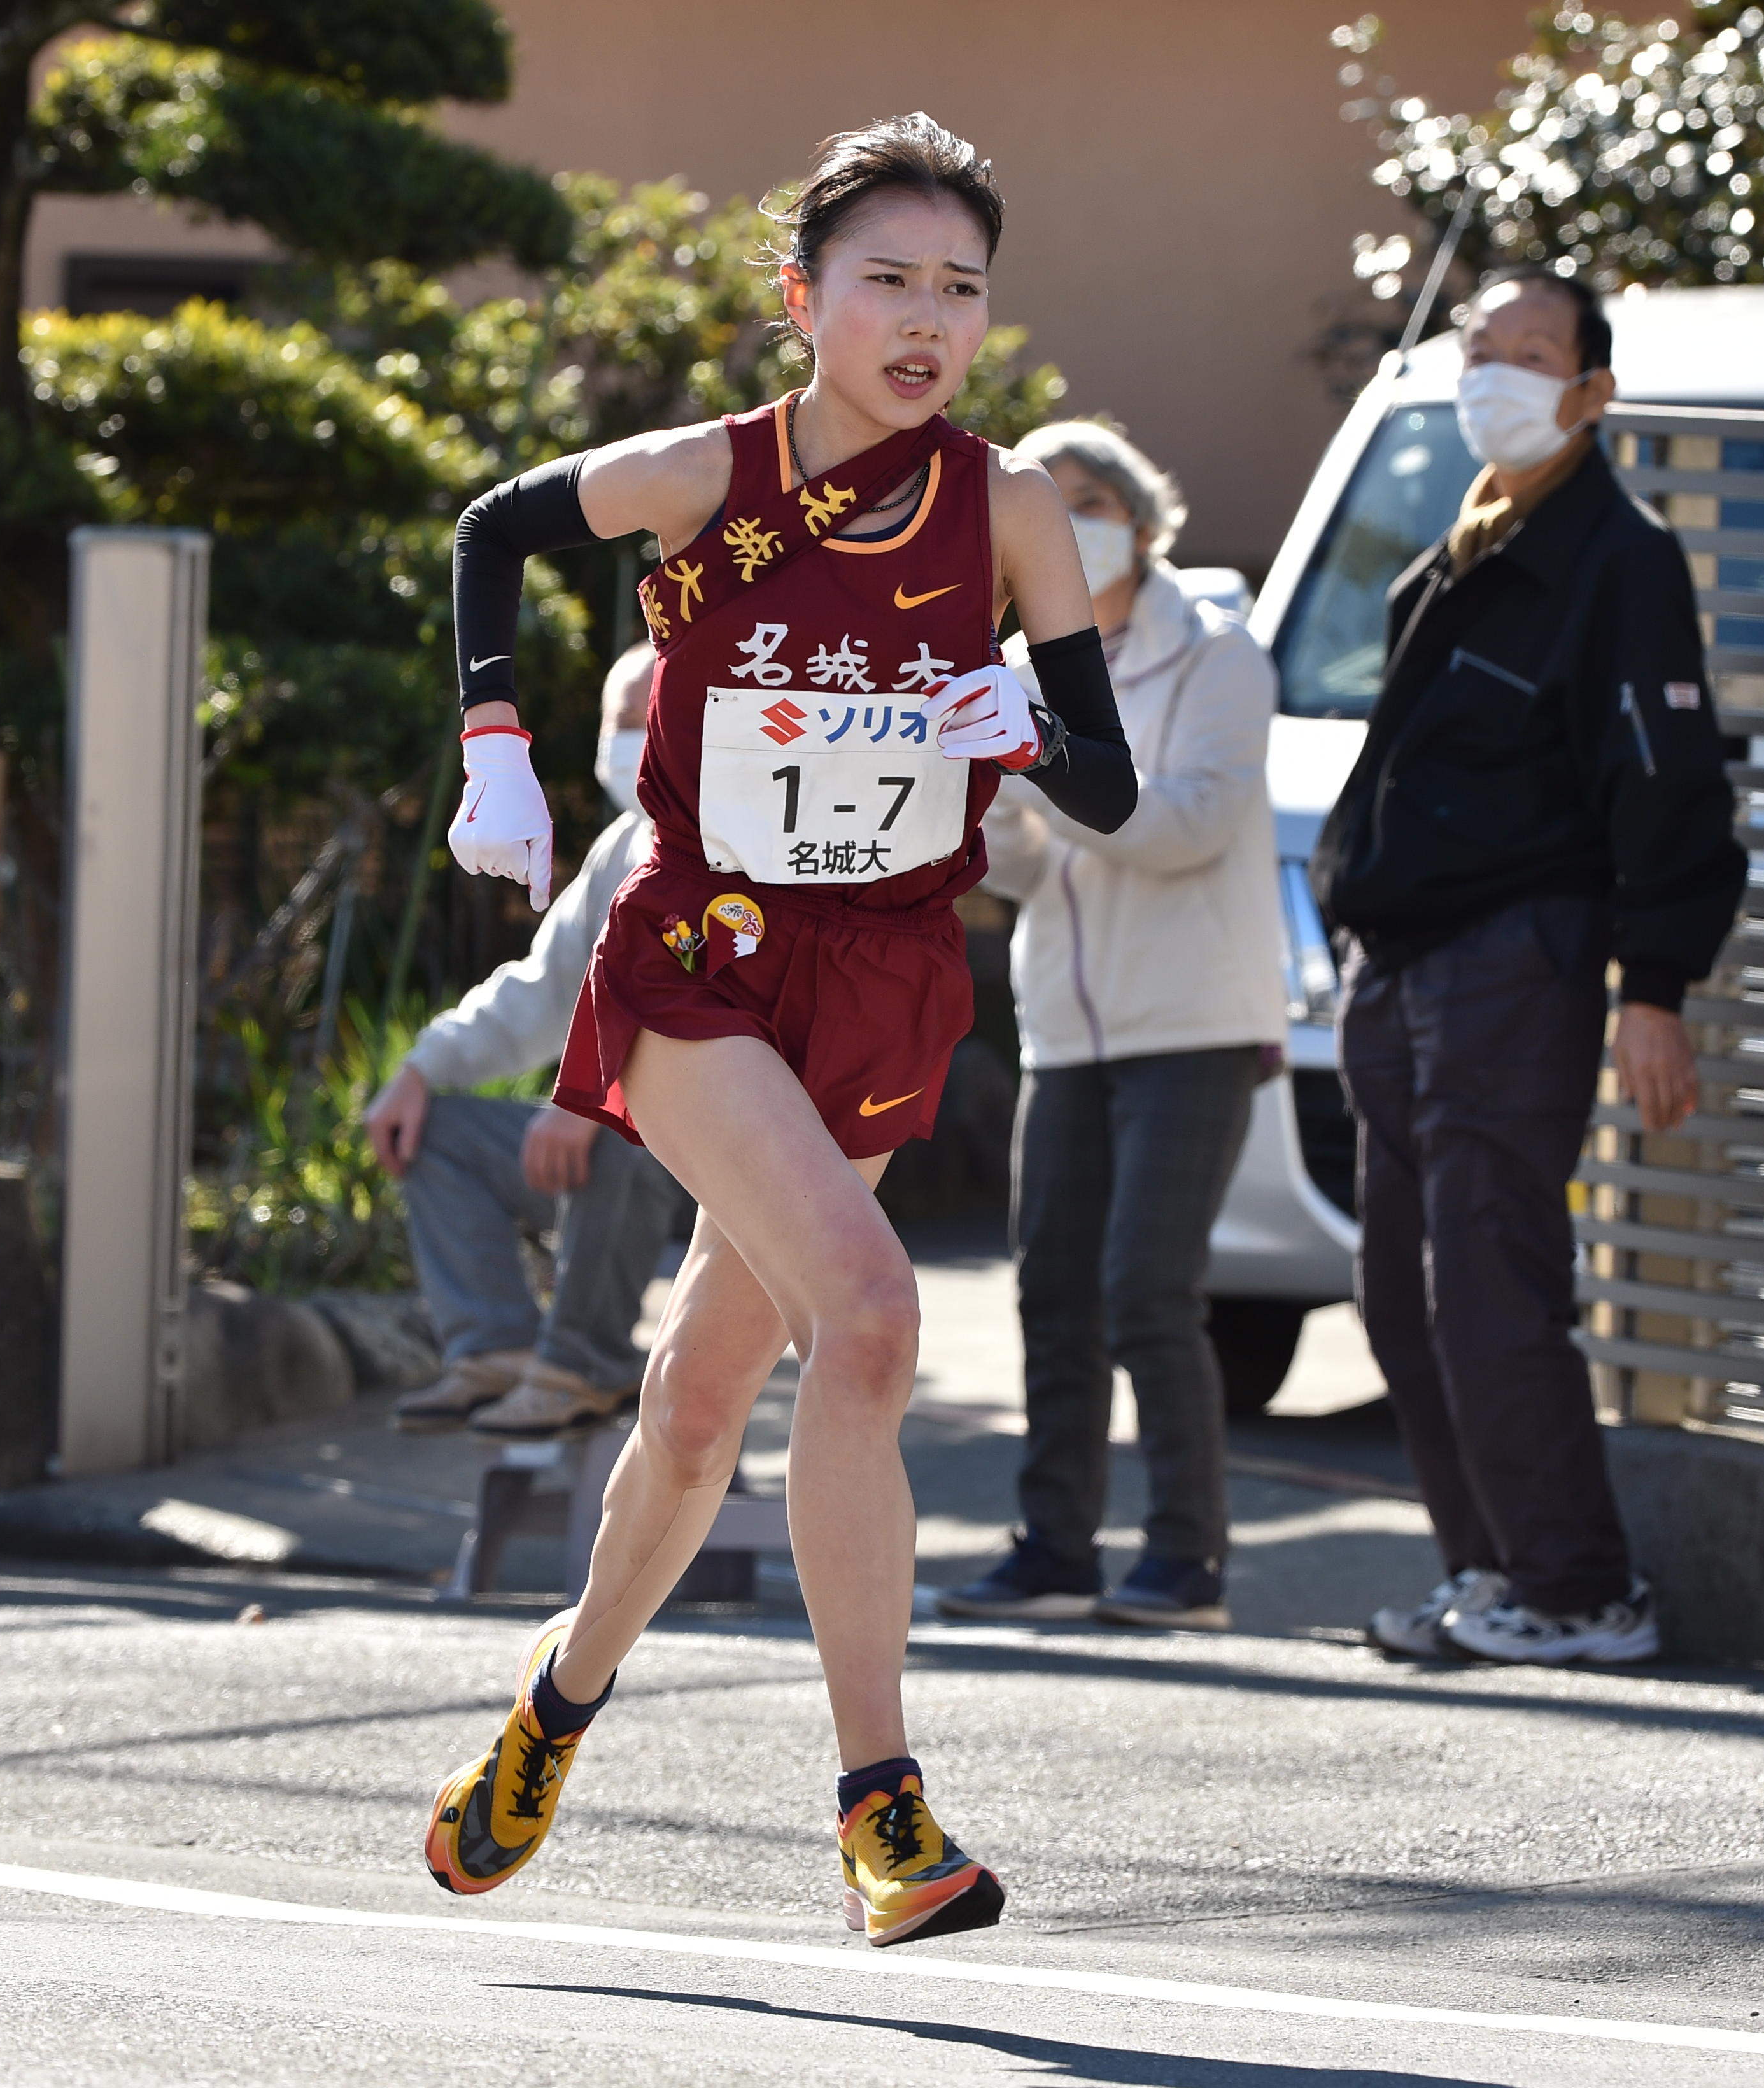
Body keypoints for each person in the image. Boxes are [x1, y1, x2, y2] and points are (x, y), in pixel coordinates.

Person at [420, 113, 1132, 1947]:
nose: (926, 319)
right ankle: (882, 1810)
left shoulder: (1016, 509)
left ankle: (550, 1712)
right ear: (803, 295)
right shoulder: (704, 472)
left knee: (703, 1395)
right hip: (703, 962)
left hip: (885, 972)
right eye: (887, 280)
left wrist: (1017, 722)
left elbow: (1110, 782)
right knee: (875, 1318)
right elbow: (492, 528)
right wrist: (494, 737)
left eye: (961, 291)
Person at [1310, 267, 1746, 1667]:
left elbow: (1667, 786)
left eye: (1529, 353)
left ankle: (1578, 1584)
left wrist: (1654, 987)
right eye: (1475, 347)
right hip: (1400, 964)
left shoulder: (1614, 558)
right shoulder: (1453, 551)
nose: (1490, 372)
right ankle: (1490, 1571)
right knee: (1401, 1288)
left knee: (1490, 1282)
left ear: (1591, 392)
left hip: (1518, 959)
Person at [943, 420, 1284, 1632]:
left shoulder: (1221, 659)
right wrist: (968, 812)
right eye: (1041, 504)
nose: (1065, 522)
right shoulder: (1033, 669)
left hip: (1193, 1025)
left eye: (1086, 500)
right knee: (1052, 1296)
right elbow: (1032, 869)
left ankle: (1187, 1561)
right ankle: (1054, 1548)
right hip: (1066, 1031)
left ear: (1141, 521)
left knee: (1147, 1287)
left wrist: (1044, 759)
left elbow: (1184, 828)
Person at [365, 644, 692, 1439]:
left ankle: (583, 1364)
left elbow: (697, 1007)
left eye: (639, 720)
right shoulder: (625, 842)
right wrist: (421, 1065)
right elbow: (543, 990)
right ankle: (496, 1352)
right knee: (434, 1134)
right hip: (610, 1134)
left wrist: (590, 1101)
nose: (625, 741)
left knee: (625, 1140)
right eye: (617, 721)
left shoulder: (726, 843)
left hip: (705, 1161)